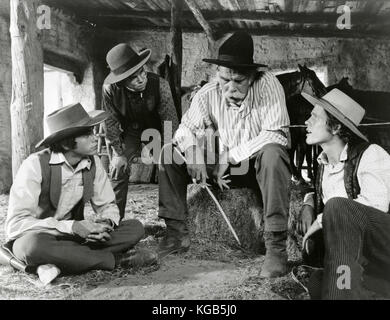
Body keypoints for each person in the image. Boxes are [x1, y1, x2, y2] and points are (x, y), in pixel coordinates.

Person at [158, 31, 291, 278]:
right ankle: (176, 234)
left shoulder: (268, 84)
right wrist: (192, 150)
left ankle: (276, 247)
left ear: (252, 77)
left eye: (238, 81)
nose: (229, 88)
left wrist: (230, 156)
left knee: (273, 153)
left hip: (255, 168)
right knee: (169, 153)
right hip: (223, 172)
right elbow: (184, 129)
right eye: (223, 79)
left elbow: (277, 134)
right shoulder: (209, 92)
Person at [4, 103, 156, 275]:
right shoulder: (34, 165)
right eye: (87, 134)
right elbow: (15, 226)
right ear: (68, 143)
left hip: (78, 239)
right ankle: (116, 260)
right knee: (32, 247)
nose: (94, 137)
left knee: (135, 227)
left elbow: (108, 205)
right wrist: (72, 227)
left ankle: (67, 260)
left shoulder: (93, 163)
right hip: (42, 236)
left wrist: (104, 224)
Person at [297, 89, 390, 299]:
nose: (306, 121)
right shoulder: (324, 165)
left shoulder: (372, 154)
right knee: (319, 283)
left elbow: (375, 206)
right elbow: (332, 197)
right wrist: (309, 202)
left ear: (336, 126)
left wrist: (321, 220)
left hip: (384, 246)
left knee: (338, 208)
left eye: (315, 116)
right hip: (365, 262)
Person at [102, 43, 179, 219]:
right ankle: (112, 220)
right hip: (130, 131)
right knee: (118, 168)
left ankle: (173, 224)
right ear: (121, 81)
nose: (142, 79)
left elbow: (170, 122)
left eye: (143, 72)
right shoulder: (109, 89)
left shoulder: (161, 85)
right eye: (134, 78)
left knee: (169, 165)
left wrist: (169, 150)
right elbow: (110, 121)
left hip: (157, 129)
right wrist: (118, 153)